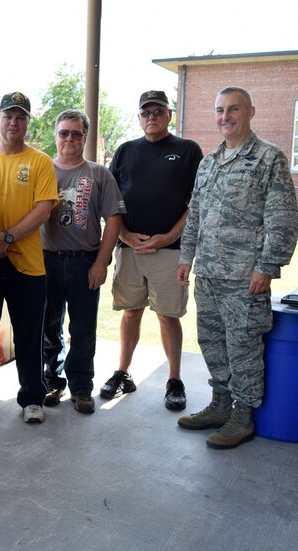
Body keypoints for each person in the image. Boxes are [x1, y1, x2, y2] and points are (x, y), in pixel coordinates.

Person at [176, 86, 298, 449]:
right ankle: (220, 404)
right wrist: (186, 257)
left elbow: (282, 218)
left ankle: (242, 417)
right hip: (209, 274)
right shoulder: (209, 162)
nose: (224, 116)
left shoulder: (268, 158)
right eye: (219, 110)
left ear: (250, 112)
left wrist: (267, 265)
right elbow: (195, 212)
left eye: (233, 109)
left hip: (245, 278)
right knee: (212, 342)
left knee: (243, 348)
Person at [102, 90, 203, 410]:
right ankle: (123, 372)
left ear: (169, 114)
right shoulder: (126, 150)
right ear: (139, 117)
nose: (152, 117)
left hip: (169, 251)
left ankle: (174, 380)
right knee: (131, 312)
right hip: (130, 250)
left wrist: (168, 236)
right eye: (146, 112)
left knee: (168, 315)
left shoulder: (187, 150)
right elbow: (111, 200)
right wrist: (127, 236)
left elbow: (197, 202)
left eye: (158, 111)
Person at [0, 92, 58, 423]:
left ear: (27, 123)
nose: (14, 122)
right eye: (8, 116)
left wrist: (7, 237)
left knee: (29, 332)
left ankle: (31, 398)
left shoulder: (39, 162)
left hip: (28, 263)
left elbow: (44, 208)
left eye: (20, 117)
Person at [41, 109, 126, 414]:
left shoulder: (99, 174)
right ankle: (51, 381)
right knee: (48, 327)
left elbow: (114, 220)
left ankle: (80, 387)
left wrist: (101, 263)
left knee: (83, 329)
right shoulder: (42, 169)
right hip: (45, 261)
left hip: (84, 261)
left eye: (76, 133)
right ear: (56, 135)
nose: (70, 139)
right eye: (64, 132)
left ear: (85, 137)